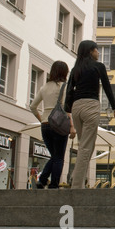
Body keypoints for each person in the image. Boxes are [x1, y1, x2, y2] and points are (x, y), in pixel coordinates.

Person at [64, 40, 115, 189]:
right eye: (96, 50)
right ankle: (76, 185)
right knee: (85, 146)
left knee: (86, 145)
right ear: (90, 51)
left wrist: (68, 110)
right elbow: (108, 88)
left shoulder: (76, 69)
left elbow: (69, 89)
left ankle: (78, 180)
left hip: (76, 107)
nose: (98, 52)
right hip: (90, 106)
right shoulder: (98, 66)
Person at [30, 61, 76, 189]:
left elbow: (33, 106)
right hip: (59, 125)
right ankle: (53, 185)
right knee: (59, 157)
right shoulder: (65, 87)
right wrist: (72, 126)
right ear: (64, 72)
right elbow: (67, 109)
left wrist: (42, 119)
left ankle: (43, 180)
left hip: (45, 124)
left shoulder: (44, 87)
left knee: (54, 156)